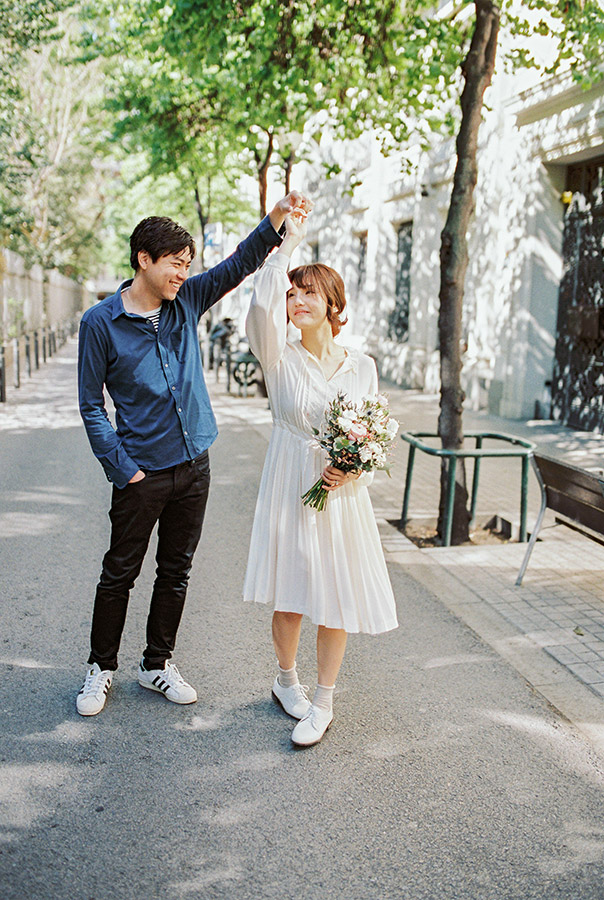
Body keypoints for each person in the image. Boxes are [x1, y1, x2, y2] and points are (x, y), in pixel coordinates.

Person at [76, 191, 311, 716]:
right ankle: (101, 669)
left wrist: (276, 218)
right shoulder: (100, 323)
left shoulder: (186, 300)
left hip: (195, 463)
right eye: (174, 264)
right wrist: (123, 467)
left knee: (176, 570)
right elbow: (92, 405)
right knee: (120, 571)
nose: (183, 273)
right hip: (141, 471)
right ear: (144, 260)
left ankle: (157, 663)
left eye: (187, 265)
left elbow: (239, 265)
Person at [243, 212, 398, 747]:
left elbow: (373, 429)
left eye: (310, 294)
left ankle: (324, 700)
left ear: (334, 305)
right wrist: (287, 246)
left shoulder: (362, 365)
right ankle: (287, 681)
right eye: (293, 295)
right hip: (291, 479)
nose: (297, 301)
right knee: (290, 596)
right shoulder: (277, 356)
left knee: (336, 595)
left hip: (341, 494)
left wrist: (354, 463)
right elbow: (261, 305)